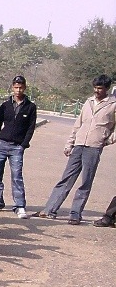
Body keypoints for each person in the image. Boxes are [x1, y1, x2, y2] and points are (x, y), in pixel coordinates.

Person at [34, 75, 116, 225]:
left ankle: (75, 214)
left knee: (85, 182)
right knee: (66, 178)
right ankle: (49, 209)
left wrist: (106, 139)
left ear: (106, 89)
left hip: (94, 147)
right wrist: (69, 143)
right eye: (95, 88)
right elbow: (78, 124)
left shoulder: (113, 104)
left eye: (100, 88)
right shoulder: (88, 102)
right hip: (78, 144)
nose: (97, 91)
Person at [0, 75, 36, 218]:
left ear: (24, 87)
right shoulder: (6, 105)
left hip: (17, 147)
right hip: (1, 144)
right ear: (12, 87)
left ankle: (19, 205)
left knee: (17, 176)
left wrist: (24, 144)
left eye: (21, 87)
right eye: (16, 87)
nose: (18, 90)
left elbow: (31, 128)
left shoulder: (30, 107)